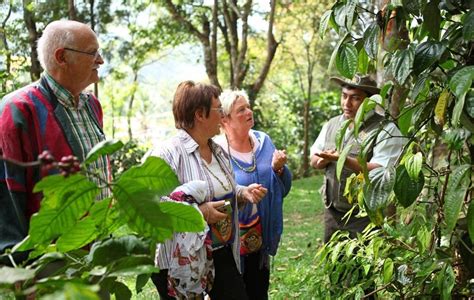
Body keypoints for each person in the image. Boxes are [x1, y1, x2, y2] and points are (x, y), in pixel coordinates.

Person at [146, 81, 267, 299]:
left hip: (221, 252)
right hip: (180, 261)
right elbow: (148, 206)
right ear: (200, 114)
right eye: (218, 109)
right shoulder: (167, 154)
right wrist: (199, 213)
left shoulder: (218, 151)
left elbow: (220, 189)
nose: (223, 115)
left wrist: (242, 192)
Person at [0, 20, 109, 263]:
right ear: (62, 57)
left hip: (96, 249)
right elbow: (7, 193)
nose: (100, 60)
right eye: (92, 53)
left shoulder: (91, 105)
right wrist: (17, 262)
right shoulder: (18, 109)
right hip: (49, 258)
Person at [215, 90, 292, 300]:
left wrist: (278, 169)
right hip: (230, 242)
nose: (249, 112)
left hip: (260, 238)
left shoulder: (263, 141)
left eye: (248, 107)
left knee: (258, 292)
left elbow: (282, 189)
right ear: (224, 119)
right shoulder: (216, 151)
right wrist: (241, 195)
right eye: (241, 110)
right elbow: (213, 194)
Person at [310, 75, 403, 243]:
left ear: (369, 102)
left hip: (365, 216)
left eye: (355, 98)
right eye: (344, 96)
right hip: (333, 213)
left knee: (363, 265)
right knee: (334, 266)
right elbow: (314, 159)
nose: (347, 103)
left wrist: (344, 160)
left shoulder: (386, 129)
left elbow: (381, 170)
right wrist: (324, 160)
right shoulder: (332, 124)